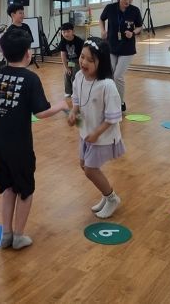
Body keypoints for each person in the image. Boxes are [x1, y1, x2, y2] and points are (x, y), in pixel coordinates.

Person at [0, 29, 67, 250]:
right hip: (18, 146)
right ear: (28, 54)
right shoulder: (31, 78)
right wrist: (61, 105)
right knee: (25, 190)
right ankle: (19, 236)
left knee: (7, 188)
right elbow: (41, 112)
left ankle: (6, 235)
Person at [67, 38, 125, 219]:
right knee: (84, 166)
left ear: (101, 62)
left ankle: (112, 198)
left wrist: (96, 133)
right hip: (86, 132)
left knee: (90, 170)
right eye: (82, 57)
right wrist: (73, 112)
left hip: (102, 137)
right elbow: (76, 99)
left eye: (90, 60)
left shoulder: (107, 85)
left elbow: (113, 117)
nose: (83, 62)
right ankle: (107, 195)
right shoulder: (78, 77)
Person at [99, 0, 143, 112]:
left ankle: (120, 102)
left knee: (118, 76)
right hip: (112, 46)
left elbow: (140, 27)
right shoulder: (110, 8)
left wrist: (133, 32)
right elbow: (101, 19)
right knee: (110, 75)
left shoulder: (135, 10)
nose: (127, 2)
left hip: (127, 48)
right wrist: (103, 30)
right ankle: (110, 100)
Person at [59, 22, 84, 100]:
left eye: (68, 31)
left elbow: (83, 54)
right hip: (70, 61)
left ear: (73, 31)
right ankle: (68, 91)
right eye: (64, 32)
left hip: (78, 61)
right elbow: (63, 55)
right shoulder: (63, 41)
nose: (66, 34)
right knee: (67, 74)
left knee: (75, 74)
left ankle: (75, 91)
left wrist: (81, 64)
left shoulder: (79, 41)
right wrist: (67, 68)